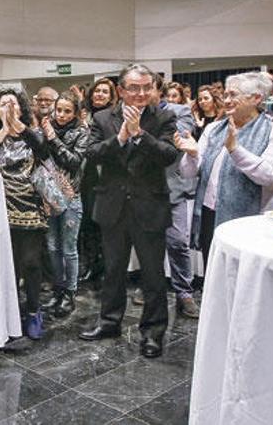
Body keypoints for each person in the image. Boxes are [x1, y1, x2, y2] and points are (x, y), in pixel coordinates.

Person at [79, 64, 180, 359]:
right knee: (113, 271)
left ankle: (152, 333)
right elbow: (92, 153)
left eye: (147, 87)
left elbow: (169, 156)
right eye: (134, 88)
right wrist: (121, 137)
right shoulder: (101, 117)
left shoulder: (164, 116)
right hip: (113, 206)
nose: (141, 93)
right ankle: (109, 322)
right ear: (121, 90)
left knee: (152, 275)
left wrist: (141, 135)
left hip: (149, 206)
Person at [176, 71, 273, 271]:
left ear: (256, 98)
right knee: (214, 270)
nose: (226, 100)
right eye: (225, 95)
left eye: (233, 95)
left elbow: (268, 175)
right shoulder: (214, 129)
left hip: (249, 220)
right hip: (209, 213)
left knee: (243, 275)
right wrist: (192, 154)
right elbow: (187, 173)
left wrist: (235, 150)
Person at [0, 88, 50, 340]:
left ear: (21, 108)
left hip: (30, 207)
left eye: (13, 103)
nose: (8, 107)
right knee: (6, 266)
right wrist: (3, 131)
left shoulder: (33, 134)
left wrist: (20, 127)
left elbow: (43, 151)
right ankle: (7, 314)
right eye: (2, 104)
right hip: (0, 209)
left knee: (30, 262)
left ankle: (33, 311)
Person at [151, 76, 200, 318]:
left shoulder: (179, 110)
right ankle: (152, 286)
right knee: (149, 244)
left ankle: (184, 292)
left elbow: (178, 139)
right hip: (144, 190)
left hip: (172, 187)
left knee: (178, 242)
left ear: (158, 90)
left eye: (148, 87)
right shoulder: (131, 114)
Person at [40, 91, 89, 318]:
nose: (61, 115)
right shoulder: (46, 127)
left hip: (70, 196)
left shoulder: (82, 132)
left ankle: (70, 292)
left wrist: (53, 139)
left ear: (76, 112)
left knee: (69, 249)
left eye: (67, 111)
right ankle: (58, 289)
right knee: (52, 247)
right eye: (58, 110)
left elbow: (74, 161)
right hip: (49, 195)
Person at [78, 78, 118, 287]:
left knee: (106, 224)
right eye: (97, 91)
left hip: (108, 177)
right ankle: (92, 265)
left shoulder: (114, 118)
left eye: (105, 92)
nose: (100, 95)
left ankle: (106, 268)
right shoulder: (82, 116)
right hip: (88, 176)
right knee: (88, 223)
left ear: (112, 97)